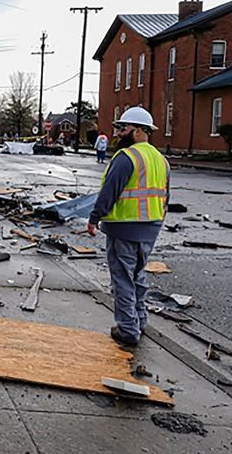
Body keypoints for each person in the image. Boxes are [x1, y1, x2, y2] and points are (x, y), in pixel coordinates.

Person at [87, 107, 170, 347]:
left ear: (138, 131)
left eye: (122, 128)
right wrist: (157, 223)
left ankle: (128, 329)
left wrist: (94, 218)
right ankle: (140, 321)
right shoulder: (160, 160)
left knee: (122, 279)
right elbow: (166, 196)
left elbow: (109, 193)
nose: (118, 133)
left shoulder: (127, 157)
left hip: (124, 227)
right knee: (138, 277)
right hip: (150, 228)